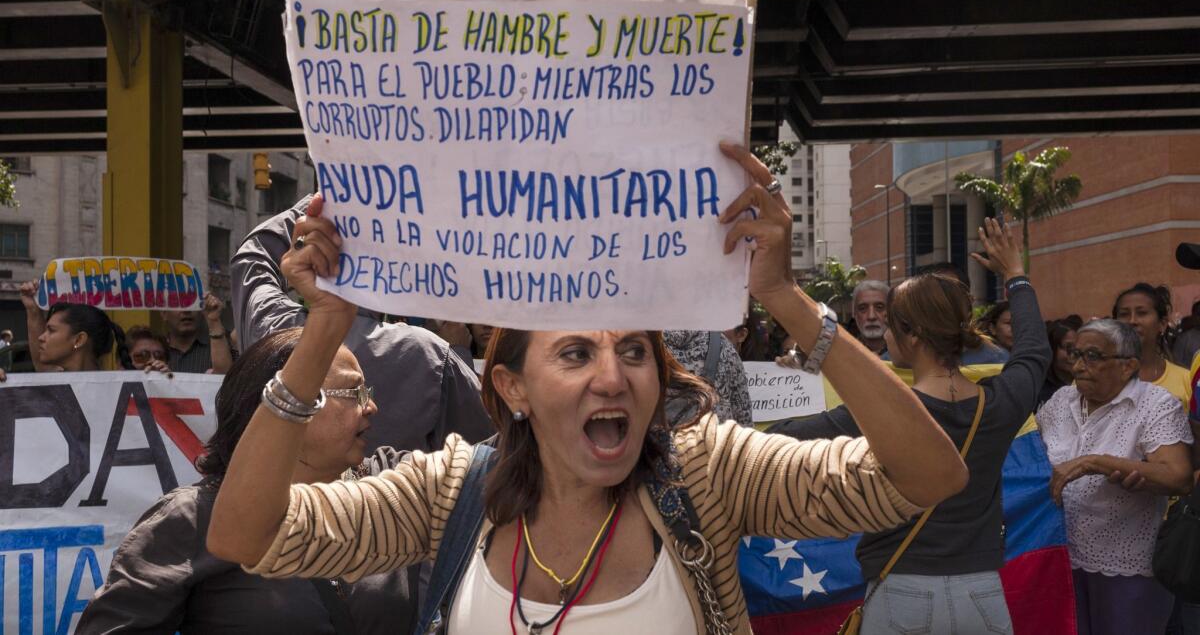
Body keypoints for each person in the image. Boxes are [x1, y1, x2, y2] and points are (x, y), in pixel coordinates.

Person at [206, 143, 969, 635]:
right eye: (575, 352)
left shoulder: (708, 474)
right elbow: (246, 534)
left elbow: (929, 474)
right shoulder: (447, 494)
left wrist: (789, 301)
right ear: (512, 385)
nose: (613, 375)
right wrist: (324, 331)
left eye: (634, 349)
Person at [769, 217, 1050, 632]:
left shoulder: (881, 413)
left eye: (891, 325)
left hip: (900, 596)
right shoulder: (1001, 404)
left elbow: (781, 441)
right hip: (983, 595)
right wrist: (1016, 275)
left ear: (913, 337)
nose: (884, 336)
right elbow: (1033, 351)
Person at [76, 328, 421, 634]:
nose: (371, 406)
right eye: (353, 393)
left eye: (368, 391)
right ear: (283, 408)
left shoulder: (385, 488)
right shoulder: (192, 518)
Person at [230, 194, 494, 452]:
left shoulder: (269, 327)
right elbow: (486, 451)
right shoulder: (428, 355)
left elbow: (252, 257)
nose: (366, 408)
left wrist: (324, 204)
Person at [1037, 319, 1193, 635]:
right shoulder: (1060, 401)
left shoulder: (1154, 404)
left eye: (1091, 356)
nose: (1078, 365)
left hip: (1126, 567)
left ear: (1127, 366)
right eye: (1074, 354)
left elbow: (1178, 476)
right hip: (1059, 560)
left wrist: (1097, 462)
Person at [1113, 283, 1192, 407]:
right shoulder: (1097, 376)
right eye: (1124, 314)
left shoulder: (1187, 381)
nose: (1132, 321)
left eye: (1142, 313)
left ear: (1162, 324)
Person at [662, 330, 752, 426]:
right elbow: (743, 415)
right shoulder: (723, 346)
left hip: (660, 436)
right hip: (711, 436)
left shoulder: (649, 345)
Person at [25, 300, 131, 372]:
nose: (41, 337)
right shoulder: (52, 384)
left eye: (51, 330)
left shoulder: (118, 387)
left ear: (79, 340)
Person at [162, 293, 234, 374]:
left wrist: (214, 321)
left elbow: (225, 377)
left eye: (192, 303)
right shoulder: (155, 351)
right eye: (178, 304)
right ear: (164, 313)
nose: (187, 310)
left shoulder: (221, 345)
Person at [1039, 319, 1078, 406]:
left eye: (1078, 349)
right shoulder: (1037, 387)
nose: (1074, 355)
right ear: (1051, 348)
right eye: (1069, 348)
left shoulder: (1085, 386)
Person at [851, 280, 889, 356]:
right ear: (854, 314)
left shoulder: (906, 355)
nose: (871, 316)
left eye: (879, 307)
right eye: (863, 308)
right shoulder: (844, 352)